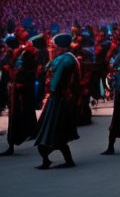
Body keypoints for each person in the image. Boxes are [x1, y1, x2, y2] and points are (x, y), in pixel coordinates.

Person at [33, 33, 81, 170]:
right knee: (56, 132)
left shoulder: (65, 60)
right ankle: (60, 159)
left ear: (59, 47)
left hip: (58, 99)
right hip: (59, 98)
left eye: (53, 46)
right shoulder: (66, 58)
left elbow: (53, 80)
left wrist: (51, 90)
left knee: (54, 130)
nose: (51, 48)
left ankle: (52, 159)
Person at [0, 34, 38, 157]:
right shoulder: (22, 53)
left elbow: (15, 69)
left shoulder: (27, 54)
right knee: (19, 115)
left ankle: (13, 143)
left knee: (17, 115)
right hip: (17, 89)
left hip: (20, 90)